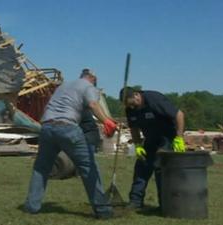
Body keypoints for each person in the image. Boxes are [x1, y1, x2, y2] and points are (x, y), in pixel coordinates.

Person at [24, 68, 118, 219]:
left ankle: (31, 206)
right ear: (93, 79)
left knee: (41, 168)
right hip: (67, 127)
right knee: (89, 167)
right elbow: (93, 105)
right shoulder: (89, 87)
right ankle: (103, 210)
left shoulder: (64, 86)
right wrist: (107, 121)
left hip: (47, 127)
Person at [120, 86, 186, 210]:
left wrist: (179, 138)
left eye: (133, 104)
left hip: (167, 137)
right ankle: (135, 201)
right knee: (142, 166)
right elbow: (133, 128)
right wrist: (138, 145)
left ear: (136, 95)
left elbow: (179, 114)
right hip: (150, 138)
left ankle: (165, 203)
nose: (132, 108)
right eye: (129, 106)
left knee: (160, 167)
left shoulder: (154, 99)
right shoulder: (130, 109)